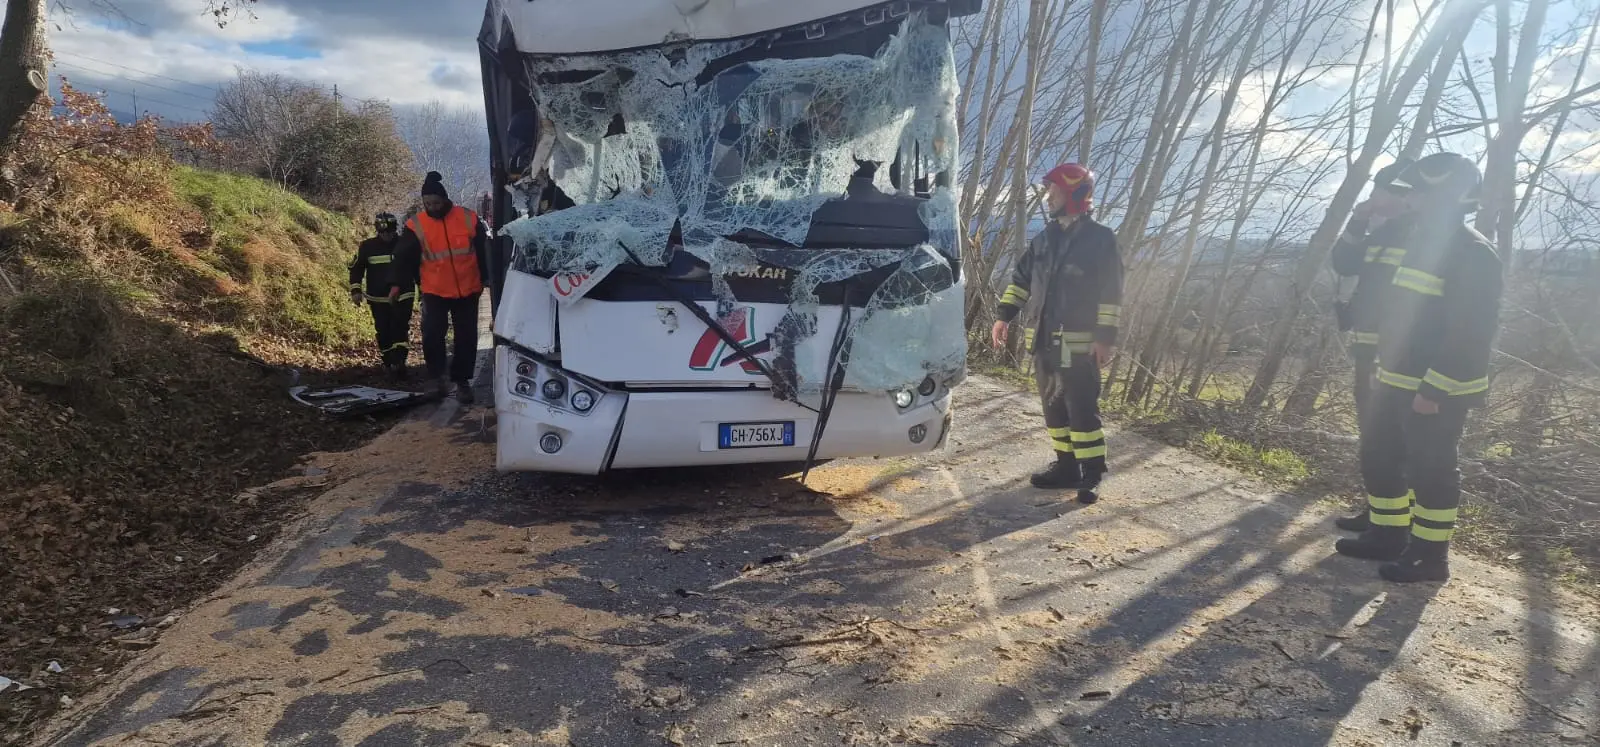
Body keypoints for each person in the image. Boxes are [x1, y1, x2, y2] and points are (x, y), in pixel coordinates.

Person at [1333, 152, 1501, 583]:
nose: (1414, 202)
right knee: (1381, 454)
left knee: (1431, 468)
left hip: (1435, 389)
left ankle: (1430, 557)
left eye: (1424, 195)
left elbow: (1469, 333)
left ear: (1450, 200)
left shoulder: (1472, 252)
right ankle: (1388, 535)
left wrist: (1435, 392)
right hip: (1395, 378)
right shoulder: (1424, 243)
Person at [991, 163, 1124, 504]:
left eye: (1055, 192)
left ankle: (1091, 474)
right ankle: (1067, 467)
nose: (1048, 198)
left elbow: (1112, 292)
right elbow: (1021, 281)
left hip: (1079, 344)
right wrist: (1003, 317)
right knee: (1053, 409)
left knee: (1081, 409)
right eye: (1049, 192)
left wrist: (1104, 337)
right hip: (1046, 341)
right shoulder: (1044, 239)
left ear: (1076, 195)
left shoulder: (1100, 239)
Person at [1328, 157, 1415, 532]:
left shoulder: (1416, 232)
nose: (1378, 197)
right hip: (1368, 349)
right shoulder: (1382, 231)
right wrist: (1359, 220)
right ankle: (1380, 510)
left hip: (1397, 353)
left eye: (1386, 191)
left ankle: (1396, 519)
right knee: (1373, 432)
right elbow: (1345, 263)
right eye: (1378, 190)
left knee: (1392, 434)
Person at [394, 171, 491, 405]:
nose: (432, 207)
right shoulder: (416, 225)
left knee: (466, 337)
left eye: (436, 202)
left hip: (467, 289)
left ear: (445, 200)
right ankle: (437, 378)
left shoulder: (468, 218)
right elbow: (401, 257)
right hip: (434, 290)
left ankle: (462, 381)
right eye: (427, 203)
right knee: (432, 335)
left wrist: (488, 279)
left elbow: (483, 250)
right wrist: (396, 284)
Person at [348, 213, 415, 380]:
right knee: (383, 330)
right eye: (383, 232)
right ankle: (388, 362)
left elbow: (417, 268)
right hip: (378, 298)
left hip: (403, 295)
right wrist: (356, 291)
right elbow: (356, 269)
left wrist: (423, 292)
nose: (387, 236)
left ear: (395, 230)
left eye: (390, 232)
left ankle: (399, 362)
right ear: (377, 231)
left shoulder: (404, 245)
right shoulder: (367, 247)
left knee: (399, 328)